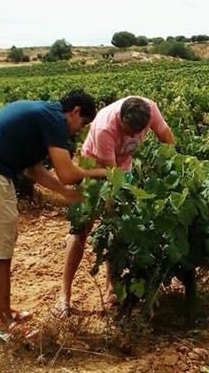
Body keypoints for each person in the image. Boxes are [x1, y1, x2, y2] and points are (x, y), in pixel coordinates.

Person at [0, 89, 108, 344]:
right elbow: (68, 173)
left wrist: (65, 194)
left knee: (3, 244)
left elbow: (33, 170)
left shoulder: (43, 115)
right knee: (0, 251)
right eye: (82, 124)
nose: (79, 131)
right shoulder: (54, 120)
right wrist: (102, 173)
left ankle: (2, 311)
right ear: (76, 112)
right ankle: (4, 325)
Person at [59, 96, 175, 315]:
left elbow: (168, 141)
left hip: (123, 171)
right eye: (128, 130)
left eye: (137, 132)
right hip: (95, 170)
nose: (132, 136)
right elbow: (113, 177)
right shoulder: (104, 127)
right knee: (81, 231)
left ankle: (111, 288)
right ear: (120, 118)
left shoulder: (151, 108)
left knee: (118, 228)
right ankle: (64, 295)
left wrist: (171, 170)